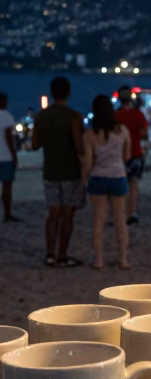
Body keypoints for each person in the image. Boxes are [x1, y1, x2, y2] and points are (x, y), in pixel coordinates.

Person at [32, 76, 84, 267]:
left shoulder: (41, 116)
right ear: (68, 93)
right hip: (70, 171)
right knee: (67, 214)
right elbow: (80, 147)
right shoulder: (73, 116)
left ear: (52, 92)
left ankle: (50, 253)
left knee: (52, 213)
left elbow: (35, 144)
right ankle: (62, 254)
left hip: (50, 170)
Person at [83, 95, 131, 270]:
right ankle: (123, 259)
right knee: (120, 220)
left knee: (98, 221)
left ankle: (99, 260)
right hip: (118, 176)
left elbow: (88, 162)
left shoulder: (90, 134)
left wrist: (83, 178)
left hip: (98, 176)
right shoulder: (122, 131)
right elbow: (127, 155)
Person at [115, 86, 148, 225]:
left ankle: (120, 212)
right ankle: (132, 212)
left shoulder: (115, 115)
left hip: (118, 154)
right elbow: (144, 133)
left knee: (120, 185)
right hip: (135, 152)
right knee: (133, 184)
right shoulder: (138, 114)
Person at [0, 92, 19, 222]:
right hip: (5, 156)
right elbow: (8, 137)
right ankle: (7, 212)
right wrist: (14, 155)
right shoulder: (6, 116)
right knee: (7, 186)